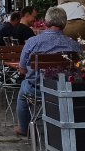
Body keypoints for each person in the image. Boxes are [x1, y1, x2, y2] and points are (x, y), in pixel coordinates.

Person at [15, 7, 81, 137]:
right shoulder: (73, 45)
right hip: (64, 89)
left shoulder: (33, 42)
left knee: (23, 90)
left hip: (37, 88)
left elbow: (22, 69)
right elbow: (79, 68)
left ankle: (23, 128)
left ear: (46, 21)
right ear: (64, 23)